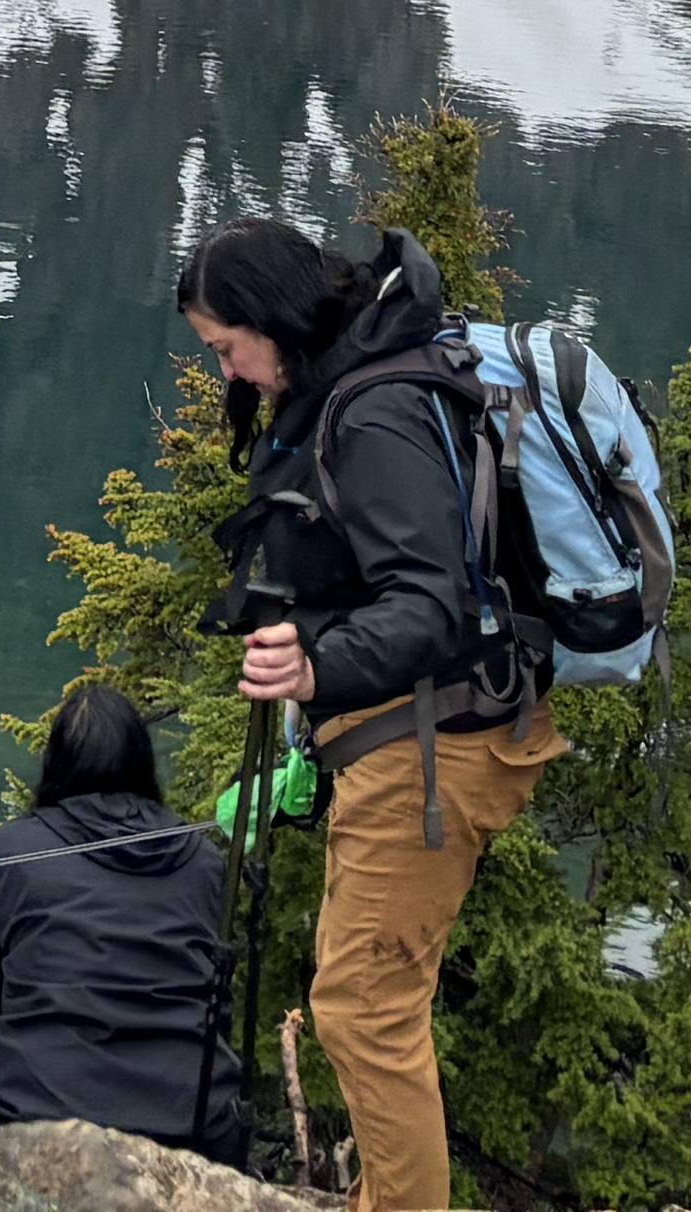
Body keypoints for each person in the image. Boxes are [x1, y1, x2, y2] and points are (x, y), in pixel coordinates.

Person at [180, 215, 555, 1212]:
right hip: (415, 731)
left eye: (227, 346)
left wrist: (315, 670)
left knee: (363, 1009)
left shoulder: (373, 415)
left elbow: (431, 606)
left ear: (270, 319)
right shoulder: (355, 377)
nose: (228, 372)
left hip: (433, 743)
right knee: (365, 1002)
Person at [0, 677, 242, 1158]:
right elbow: (218, 1004)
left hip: (31, 1104)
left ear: (56, 762)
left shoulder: (6, 851)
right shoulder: (205, 862)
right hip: (186, 1116)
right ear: (142, 763)